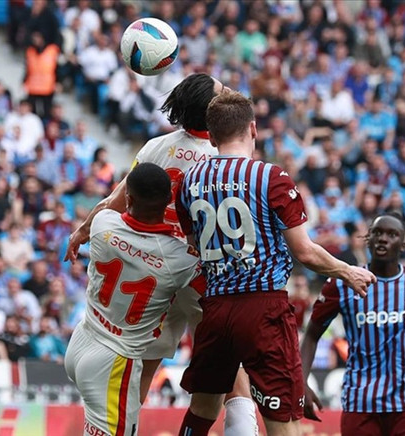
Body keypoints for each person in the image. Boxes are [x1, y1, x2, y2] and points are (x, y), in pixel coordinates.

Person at [65, 74, 259, 434]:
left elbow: (117, 199)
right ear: (213, 111)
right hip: (195, 269)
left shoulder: (158, 146)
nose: (229, 91)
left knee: (144, 363)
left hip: (153, 272)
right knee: (230, 366)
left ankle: (120, 426)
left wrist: (84, 228)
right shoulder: (220, 160)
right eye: (223, 91)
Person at [175, 91, 376, 436]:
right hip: (263, 308)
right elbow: (305, 252)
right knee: (283, 420)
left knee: (202, 409)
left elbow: (194, 245)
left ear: (211, 134)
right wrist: (347, 270)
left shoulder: (189, 181)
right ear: (253, 129)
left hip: (215, 308)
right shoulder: (271, 178)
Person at [64, 163, 205, 436]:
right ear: (169, 202)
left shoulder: (103, 224)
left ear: (128, 198)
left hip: (83, 338)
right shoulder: (180, 260)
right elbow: (211, 292)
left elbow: (104, 209)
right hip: (115, 360)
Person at [300, 212, 405, 435]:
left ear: (403, 243)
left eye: (392, 234)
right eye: (377, 233)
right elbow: (312, 334)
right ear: (368, 239)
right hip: (359, 402)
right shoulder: (342, 283)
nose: (383, 238)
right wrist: (301, 383)